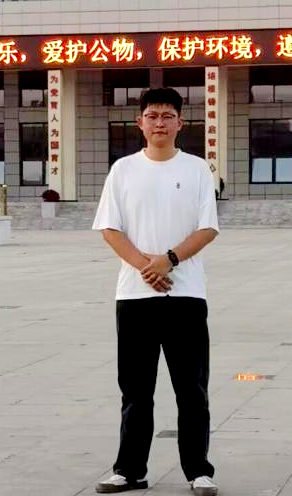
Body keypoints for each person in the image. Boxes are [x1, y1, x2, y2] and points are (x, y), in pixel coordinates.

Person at [92, 87, 220, 496]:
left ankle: (199, 471)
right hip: (135, 297)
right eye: (152, 115)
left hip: (186, 295)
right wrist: (147, 267)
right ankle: (130, 470)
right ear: (140, 123)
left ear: (180, 123)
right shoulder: (123, 170)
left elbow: (208, 228)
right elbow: (110, 229)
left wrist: (170, 259)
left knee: (191, 389)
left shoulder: (197, 169)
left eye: (167, 116)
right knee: (135, 390)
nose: (159, 122)